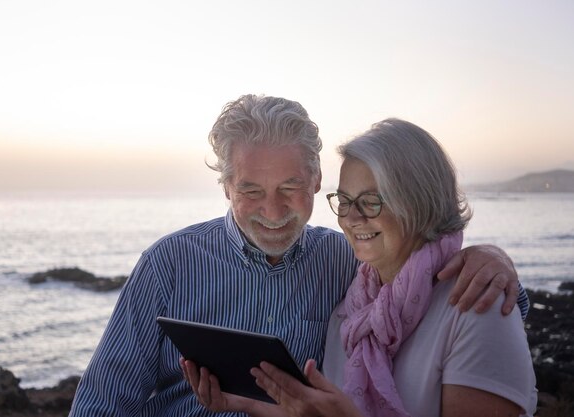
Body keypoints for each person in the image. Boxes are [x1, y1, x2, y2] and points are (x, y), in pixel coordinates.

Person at [70, 96, 529, 417]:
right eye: (251, 190)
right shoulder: (168, 264)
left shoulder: (346, 260)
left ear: (315, 180)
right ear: (226, 186)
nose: (273, 211)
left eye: (290, 187)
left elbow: (425, 279)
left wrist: (492, 260)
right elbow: (103, 402)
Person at [185, 118, 536, 416]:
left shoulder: (474, 306)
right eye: (345, 200)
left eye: (371, 200)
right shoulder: (349, 313)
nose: (352, 218)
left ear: (419, 200)